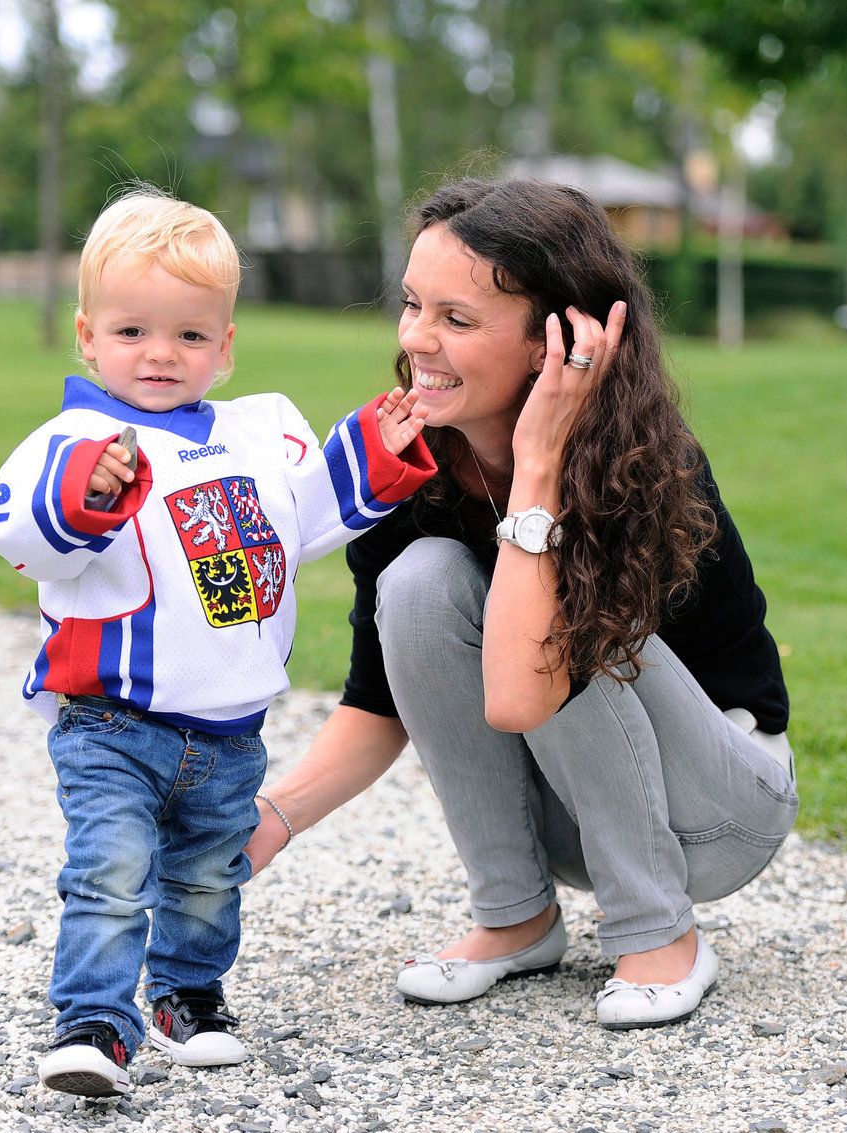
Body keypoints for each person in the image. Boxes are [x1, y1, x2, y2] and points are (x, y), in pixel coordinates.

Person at [245, 176, 798, 1031]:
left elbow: (522, 689)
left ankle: (660, 933)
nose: (418, 341)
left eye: (456, 320)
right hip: (573, 812)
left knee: (553, 615)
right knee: (421, 580)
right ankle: (516, 915)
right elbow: (378, 701)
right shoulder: (408, 469)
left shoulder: (642, 466)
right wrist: (269, 819)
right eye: (412, 305)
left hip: (718, 810)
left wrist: (537, 466)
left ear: (556, 342)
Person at [0, 187, 435, 1097]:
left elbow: (306, 518)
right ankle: (94, 1024)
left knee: (205, 877)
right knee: (111, 871)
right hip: (114, 722)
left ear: (225, 346)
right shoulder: (74, 442)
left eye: (190, 335)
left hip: (230, 730)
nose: (160, 354)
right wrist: (90, 489)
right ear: (87, 336)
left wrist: (376, 452)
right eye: (133, 331)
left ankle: (187, 996)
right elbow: (19, 532)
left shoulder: (257, 431)